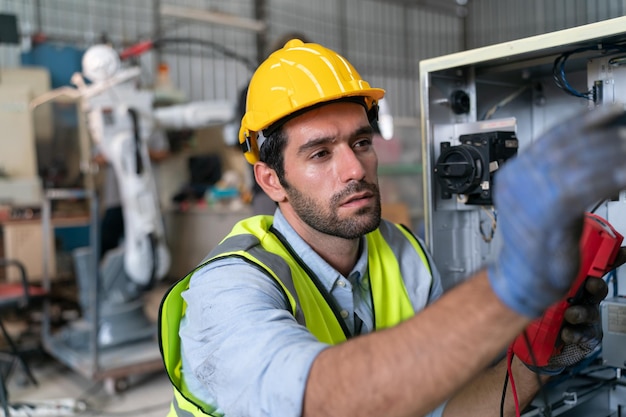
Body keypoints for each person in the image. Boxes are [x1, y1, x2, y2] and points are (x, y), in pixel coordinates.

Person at [159, 39, 626, 417]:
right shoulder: (227, 288)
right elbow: (323, 401)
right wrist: (513, 287)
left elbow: (444, 410)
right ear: (271, 180)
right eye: (320, 153)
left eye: (361, 142)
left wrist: (534, 365)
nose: (354, 169)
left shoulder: (405, 255)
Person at [95, 128, 170, 259]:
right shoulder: (109, 125)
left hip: (147, 198)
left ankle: (153, 274)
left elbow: (163, 153)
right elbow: (97, 158)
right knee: (106, 241)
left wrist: (141, 150)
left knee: (152, 242)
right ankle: (105, 275)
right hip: (117, 199)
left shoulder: (149, 124)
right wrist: (121, 151)